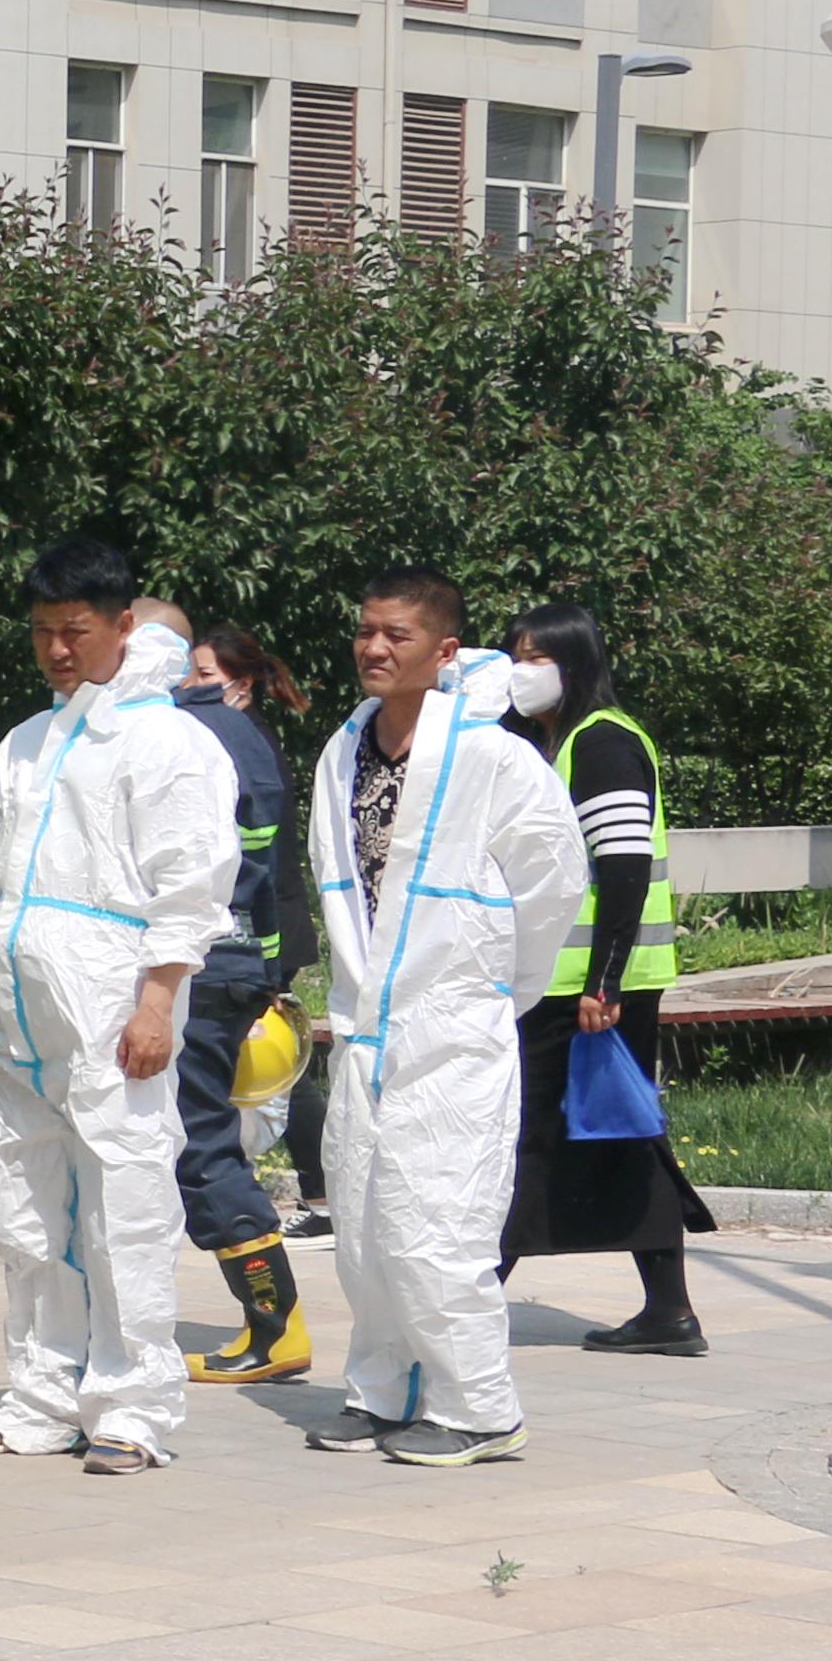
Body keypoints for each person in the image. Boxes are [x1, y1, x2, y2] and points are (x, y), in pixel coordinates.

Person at [0, 550, 237, 1472]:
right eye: (42, 632)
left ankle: (133, 1407)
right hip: (20, 1006)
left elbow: (192, 885)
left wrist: (158, 1000)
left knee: (125, 1205)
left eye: (74, 631)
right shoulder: (26, 743)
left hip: (113, 1000)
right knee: (25, 1207)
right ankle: (41, 1394)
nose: (57, 649)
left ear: (121, 627)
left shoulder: (168, 743)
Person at [304, 571, 587, 1467]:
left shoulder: (495, 758)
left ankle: (479, 1409)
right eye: (366, 630)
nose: (375, 648)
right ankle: (382, 1389)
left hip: (455, 1020)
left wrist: (498, 985)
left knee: (441, 1220)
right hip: (367, 1024)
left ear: (445, 651)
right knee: (364, 1221)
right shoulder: (343, 750)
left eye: (398, 635)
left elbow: (554, 882)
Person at [502, 602, 716, 1356]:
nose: (520, 672)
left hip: (590, 990)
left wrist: (606, 983)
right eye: (515, 656)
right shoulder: (552, 744)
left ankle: (469, 1291)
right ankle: (669, 1311)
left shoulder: (602, 744)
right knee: (617, 1133)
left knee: (529, 1133)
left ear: (576, 664)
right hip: (564, 984)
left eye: (536, 658)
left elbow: (623, 866)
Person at [175, 619, 320, 1366]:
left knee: (201, 1149)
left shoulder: (193, 732)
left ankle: (275, 1326)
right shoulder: (242, 735)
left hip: (201, 972)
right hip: (233, 966)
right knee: (200, 1145)